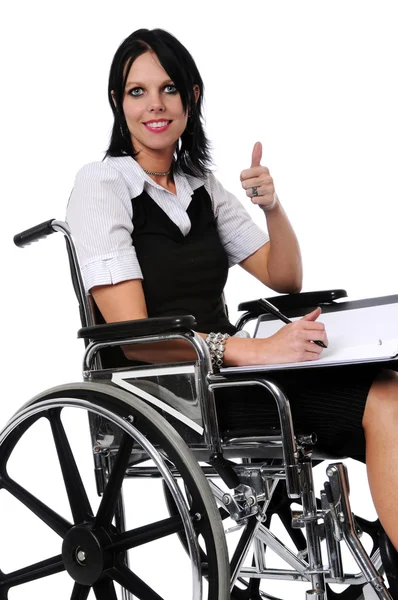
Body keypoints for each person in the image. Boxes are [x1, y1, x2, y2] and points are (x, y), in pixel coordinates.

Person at [66, 27, 398, 552]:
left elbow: (284, 277)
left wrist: (272, 208)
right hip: (173, 391)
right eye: (138, 91)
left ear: (192, 97)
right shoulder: (101, 187)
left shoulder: (200, 185)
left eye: (169, 88)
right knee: (384, 399)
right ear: (117, 101)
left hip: (231, 373)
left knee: (388, 380)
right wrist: (258, 350)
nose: (155, 104)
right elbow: (135, 338)